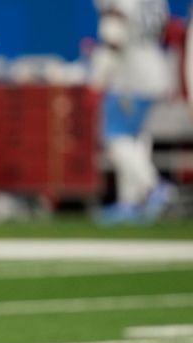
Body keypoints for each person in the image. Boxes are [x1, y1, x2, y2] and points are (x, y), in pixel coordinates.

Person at [91, 0, 175, 224]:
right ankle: (131, 201)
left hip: (131, 75)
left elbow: (114, 33)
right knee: (137, 138)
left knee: (114, 137)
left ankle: (153, 187)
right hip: (156, 68)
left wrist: (101, 74)